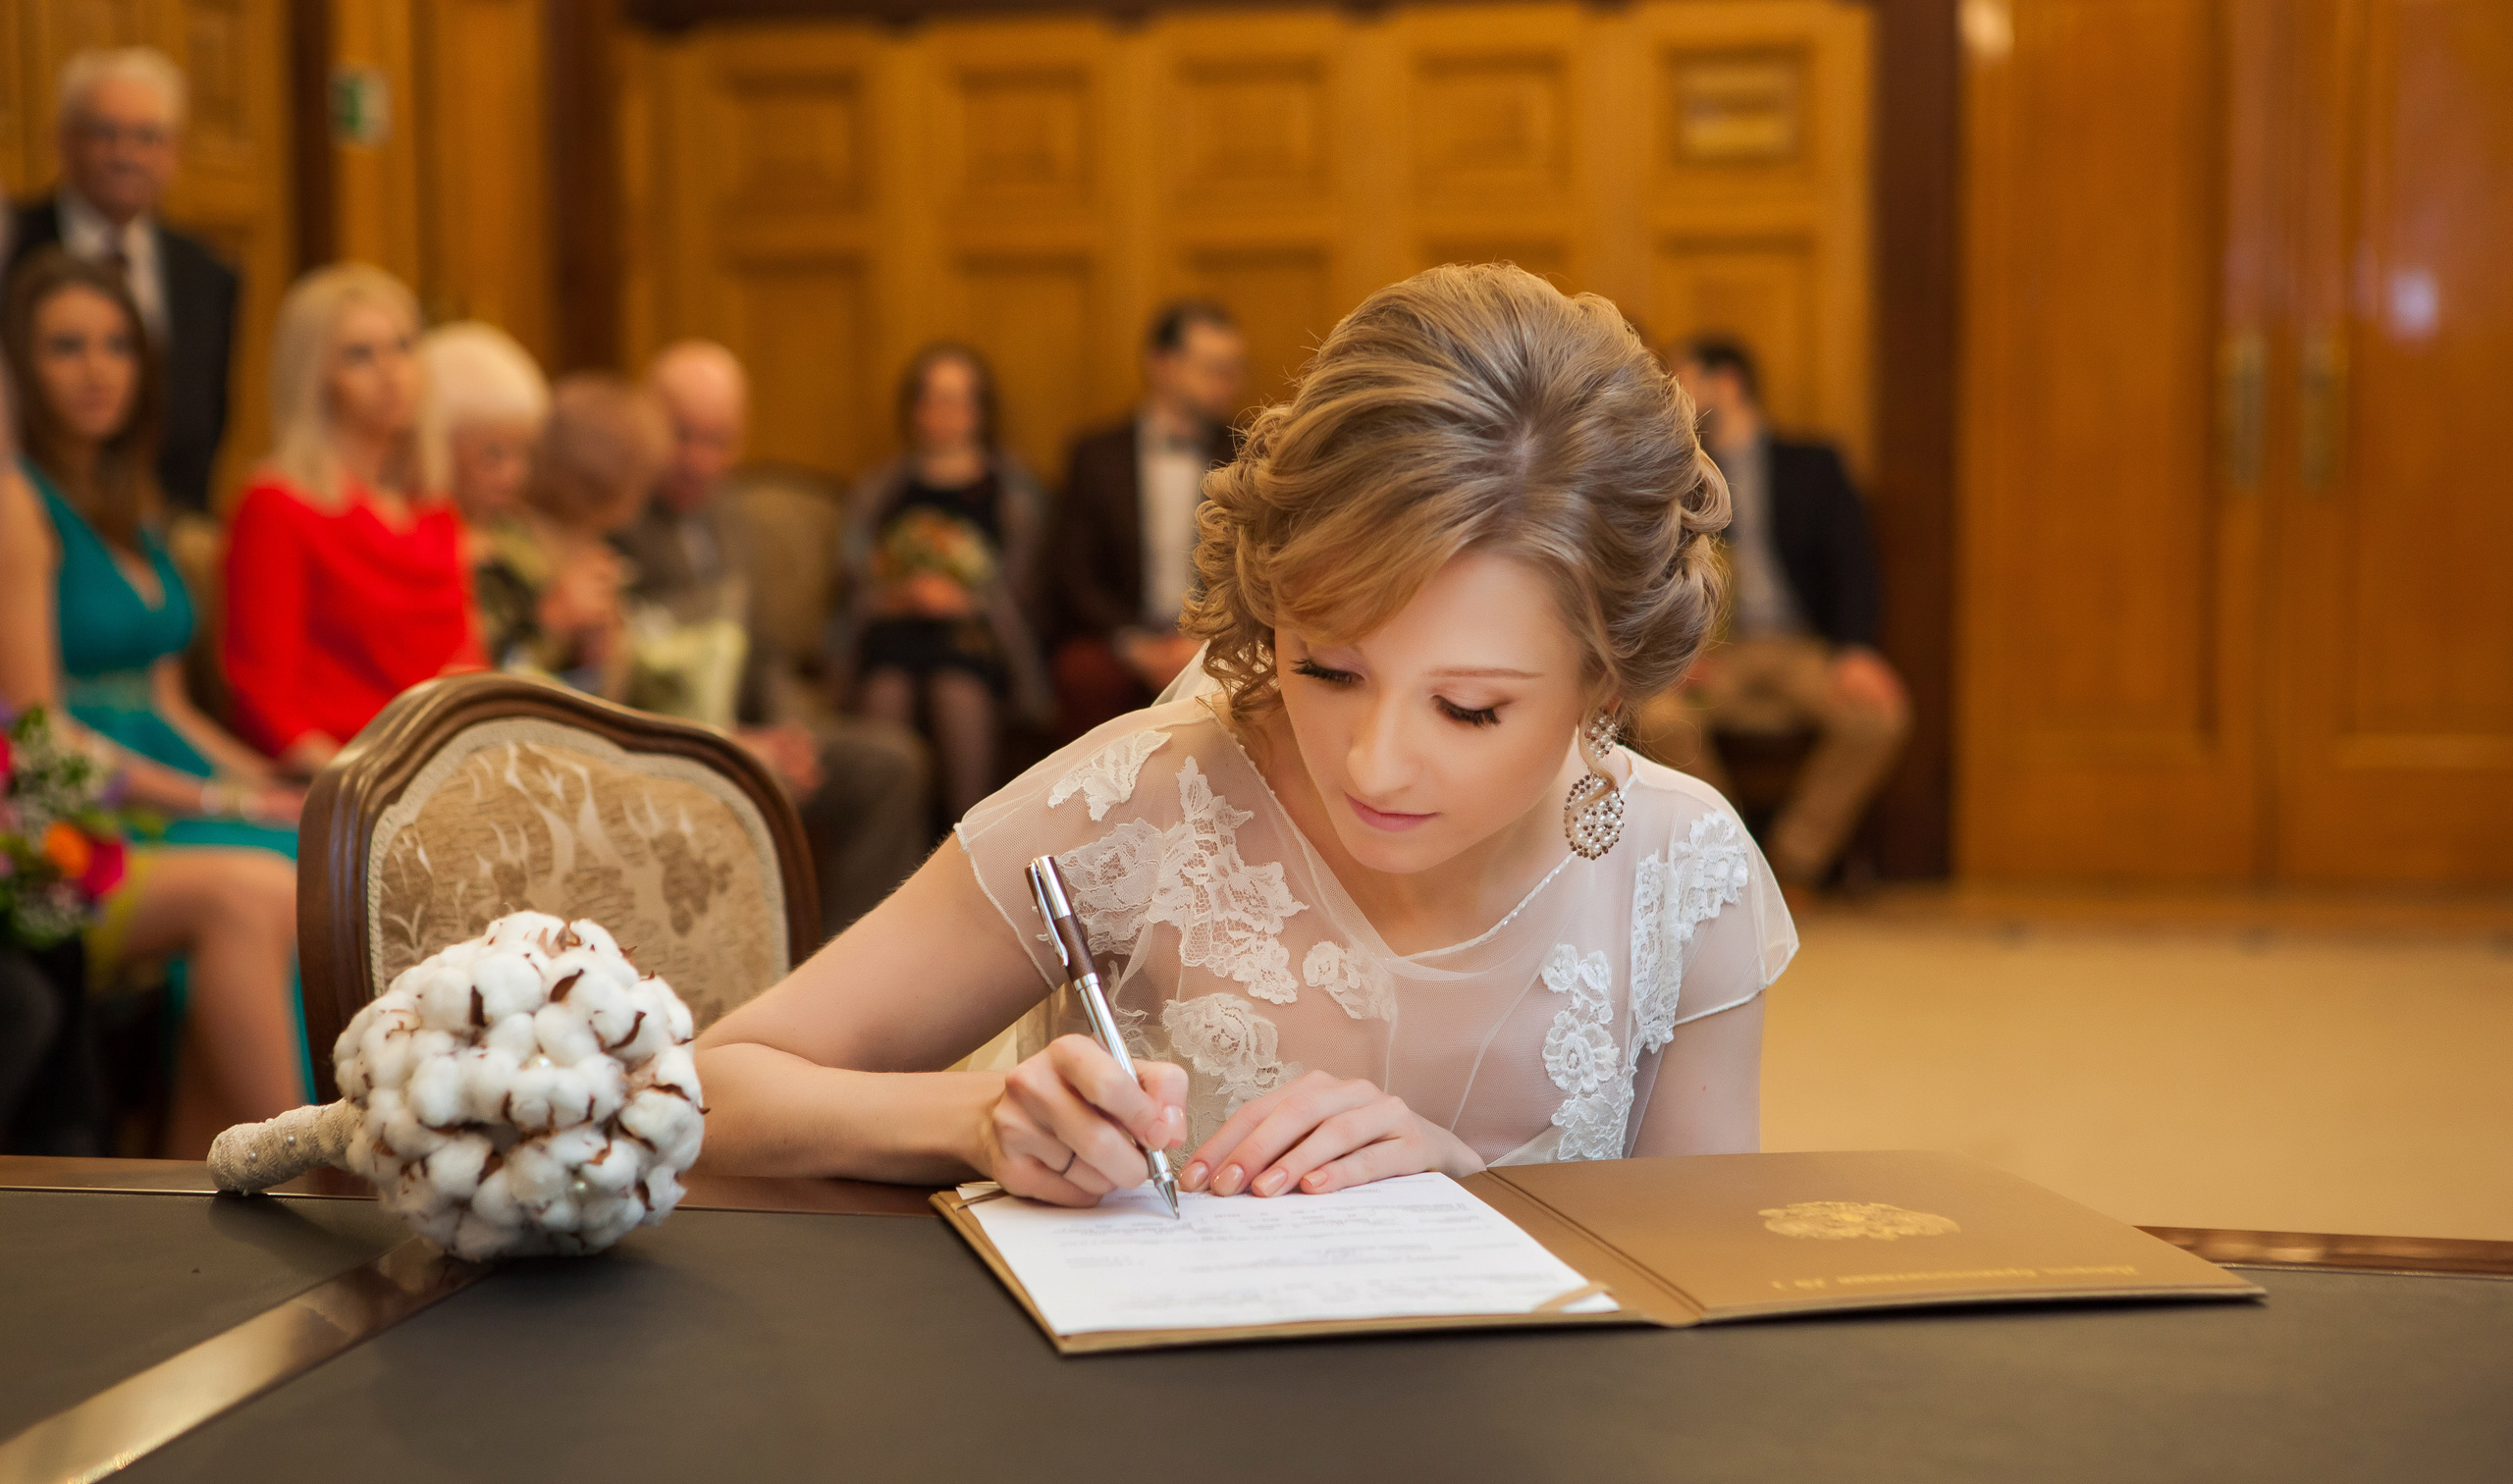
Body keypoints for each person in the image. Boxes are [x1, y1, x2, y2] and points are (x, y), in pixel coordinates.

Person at [693, 264, 1794, 1207]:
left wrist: (1467, 1190)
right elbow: (712, 1087)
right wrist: (972, 1115)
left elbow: (1695, 1290)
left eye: (1468, 708)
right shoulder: (1144, 800)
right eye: (1324, 668)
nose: (1372, 763)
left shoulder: (1679, 868)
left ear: (1608, 679)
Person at [0, 251, 301, 1158]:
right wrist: (223, 803)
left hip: (164, 784)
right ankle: (304, 1168)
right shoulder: (15, 501)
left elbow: (168, 697)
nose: (96, 370)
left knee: (331, 850)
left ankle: (200, 1163)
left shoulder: (129, 499)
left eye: (116, 346)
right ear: (19, 366)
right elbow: (38, 733)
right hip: (78, 825)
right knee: (258, 892)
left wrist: (277, 783)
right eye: (65, 347)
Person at [619, 341, 931, 938]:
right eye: (683, 435)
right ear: (645, 422)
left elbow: (760, 650)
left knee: (892, 764)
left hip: (753, 735)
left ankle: (847, 958)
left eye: (719, 441)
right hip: (668, 745)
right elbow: (629, 683)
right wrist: (731, 744)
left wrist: (790, 735)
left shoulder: (731, 515)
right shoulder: (616, 514)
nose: (699, 460)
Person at [1631, 336, 1908, 887]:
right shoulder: (1677, 473)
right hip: (1717, 653)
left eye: (1685, 380)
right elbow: (1656, 571)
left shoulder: (1813, 466)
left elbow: (1855, 565)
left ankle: (1791, 865)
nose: (1675, 396)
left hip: (1800, 648)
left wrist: (1855, 651)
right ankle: (1735, 866)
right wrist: (1680, 649)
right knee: (1656, 719)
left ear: (1727, 383)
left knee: (1879, 718)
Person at [222, 265, 483, 772]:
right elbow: (263, 700)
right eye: (359, 355)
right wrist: (361, 788)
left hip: (446, 774)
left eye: (403, 347)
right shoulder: (276, 505)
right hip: (341, 778)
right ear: (314, 375)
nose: (392, 372)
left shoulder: (432, 509)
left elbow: (467, 671)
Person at [5, 47, 237, 518]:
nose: (126, 155)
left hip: (164, 530)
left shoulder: (208, 271)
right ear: (65, 140)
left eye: (148, 137)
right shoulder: (11, 247)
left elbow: (208, 421)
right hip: (31, 517)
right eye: (104, 134)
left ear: (174, 151)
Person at [841, 344, 1051, 821]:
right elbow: (853, 578)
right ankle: (889, 855)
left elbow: (1025, 590)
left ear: (979, 411)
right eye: (933, 399)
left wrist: (965, 599)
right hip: (893, 632)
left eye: (958, 400)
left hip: (975, 638)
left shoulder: (1013, 493)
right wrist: (897, 596)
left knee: (956, 690)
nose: (945, 414)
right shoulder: (880, 490)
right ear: (914, 409)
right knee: (886, 690)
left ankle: (964, 846)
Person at [1047, 299, 1248, 736]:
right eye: (1214, 368)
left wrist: (1205, 641)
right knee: (1083, 675)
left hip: (1215, 637)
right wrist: (1133, 644)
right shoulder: (1097, 455)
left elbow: (1257, 568)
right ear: (1163, 365)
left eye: (1234, 369)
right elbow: (1072, 573)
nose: (1228, 383)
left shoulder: (1246, 455)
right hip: (1122, 635)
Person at [472, 374, 666, 695]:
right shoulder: (501, 550)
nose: (514, 472)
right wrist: (551, 624)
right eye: (495, 455)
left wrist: (599, 655)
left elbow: (608, 687)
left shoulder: (591, 554)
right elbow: (492, 677)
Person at [415, 320, 549, 566]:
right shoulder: (418, 544)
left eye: (522, 452)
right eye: (492, 455)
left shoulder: (515, 534)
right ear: (437, 447)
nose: (513, 474)